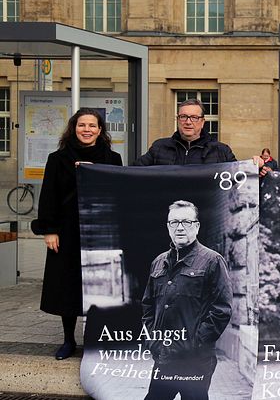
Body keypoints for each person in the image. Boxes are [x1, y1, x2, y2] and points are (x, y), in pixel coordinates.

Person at [30, 108, 123, 360]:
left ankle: (93, 340)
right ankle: (68, 340)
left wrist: (95, 174)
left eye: (92, 126)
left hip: (100, 231)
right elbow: (48, 196)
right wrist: (49, 230)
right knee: (67, 285)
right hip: (66, 231)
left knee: (99, 284)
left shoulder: (112, 159)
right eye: (82, 125)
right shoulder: (57, 158)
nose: (87, 130)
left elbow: (118, 195)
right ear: (74, 128)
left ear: (100, 130)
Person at [141, 200, 232, 400]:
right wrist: (152, 342)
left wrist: (195, 343)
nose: (179, 227)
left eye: (186, 222)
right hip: (163, 358)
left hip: (195, 361)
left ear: (197, 226)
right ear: (168, 227)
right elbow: (148, 307)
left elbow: (221, 310)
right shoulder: (158, 263)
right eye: (174, 222)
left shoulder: (212, 261)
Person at [133, 98, 238, 165]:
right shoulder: (159, 148)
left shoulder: (221, 151)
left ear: (202, 122)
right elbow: (133, 173)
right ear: (178, 120)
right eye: (183, 117)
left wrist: (254, 166)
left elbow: (241, 179)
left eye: (194, 117)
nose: (188, 122)